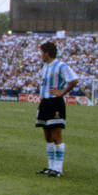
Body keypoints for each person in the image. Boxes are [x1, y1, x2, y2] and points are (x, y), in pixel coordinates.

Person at [35, 40, 78, 177]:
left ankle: (58, 169)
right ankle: (51, 166)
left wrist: (62, 92)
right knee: (47, 136)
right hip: (45, 102)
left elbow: (74, 80)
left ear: (47, 53)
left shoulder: (61, 66)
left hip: (55, 103)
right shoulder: (45, 66)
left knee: (56, 136)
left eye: (41, 52)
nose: (40, 55)